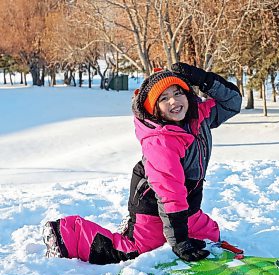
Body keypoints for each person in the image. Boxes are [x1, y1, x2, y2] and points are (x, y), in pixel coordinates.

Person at [43, 63, 242, 264]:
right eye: (163, 98)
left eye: (178, 92)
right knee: (134, 252)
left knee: (210, 238)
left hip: (187, 201)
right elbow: (169, 193)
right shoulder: (160, 141)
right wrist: (179, 241)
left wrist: (204, 79)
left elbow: (232, 103)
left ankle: (162, 227)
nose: (174, 101)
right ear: (154, 109)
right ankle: (67, 232)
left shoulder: (199, 116)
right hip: (153, 199)